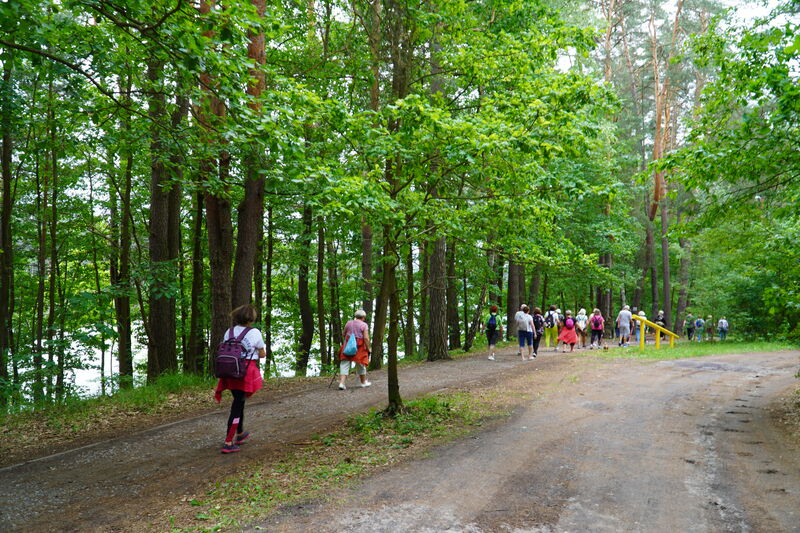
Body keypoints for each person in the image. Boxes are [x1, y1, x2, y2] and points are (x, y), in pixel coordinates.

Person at [214, 304, 267, 454]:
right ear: (251, 318)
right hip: (244, 371)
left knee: (239, 399)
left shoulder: (229, 331)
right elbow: (262, 354)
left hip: (229, 370)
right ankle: (228, 441)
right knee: (237, 404)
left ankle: (240, 433)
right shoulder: (255, 332)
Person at [338, 309, 372, 390]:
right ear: (363, 317)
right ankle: (363, 383)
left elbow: (343, 334)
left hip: (348, 346)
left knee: (344, 364)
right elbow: (366, 338)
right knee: (361, 364)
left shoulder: (348, 323)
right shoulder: (364, 325)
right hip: (359, 347)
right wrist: (368, 348)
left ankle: (342, 383)